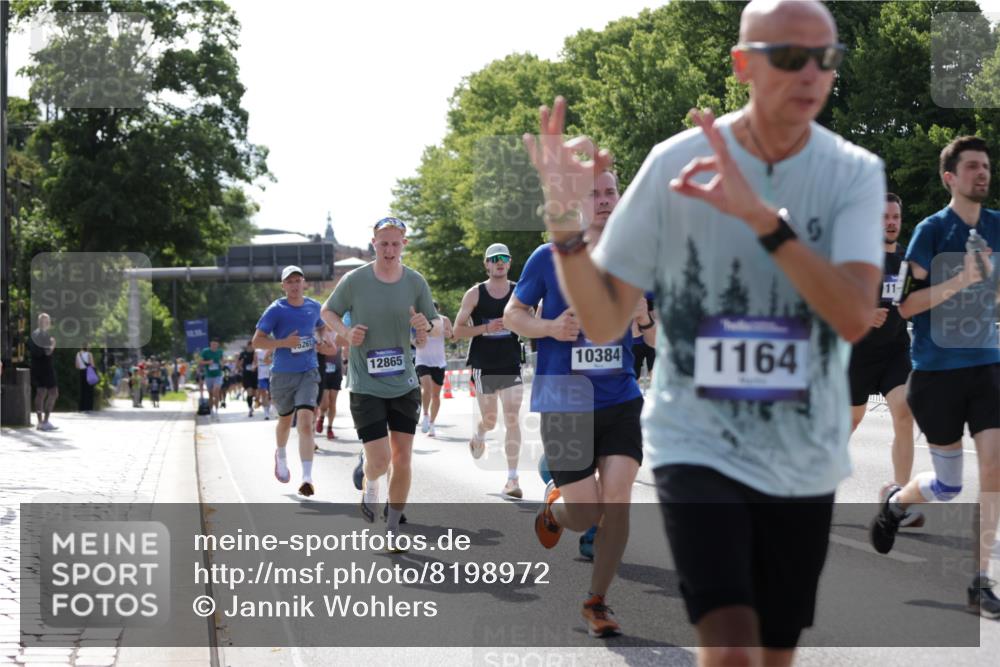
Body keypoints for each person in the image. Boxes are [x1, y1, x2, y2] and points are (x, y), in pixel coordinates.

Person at [521, 0, 884, 660]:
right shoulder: (670, 164)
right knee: (730, 644)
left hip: (802, 444)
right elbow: (604, 318)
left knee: (775, 649)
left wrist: (763, 220)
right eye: (789, 56)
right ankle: (591, 571)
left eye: (825, 59)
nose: (811, 73)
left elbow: (856, 313)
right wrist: (564, 232)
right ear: (743, 64)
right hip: (694, 438)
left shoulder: (853, 172)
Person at [505, 169, 642, 638]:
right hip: (564, 400)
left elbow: (656, 324)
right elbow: (513, 314)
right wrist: (548, 328)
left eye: (610, 192)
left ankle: (596, 602)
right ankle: (554, 510)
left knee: (619, 502)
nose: (603, 200)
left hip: (621, 396)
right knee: (587, 513)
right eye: (593, 194)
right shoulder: (550, 257)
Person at [868, 135, 1000, 618]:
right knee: (948, 485)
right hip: (937, 371)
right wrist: (961, 280)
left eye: (985, 166)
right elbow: (905, 305)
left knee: (993, 466)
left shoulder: (998, 228)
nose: (982, 173)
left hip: (986, 365)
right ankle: (897, 503)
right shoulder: (929, 232)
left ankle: (979, 580)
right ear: (950, 177)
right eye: (971, 167)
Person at [322, 217, 437, 546]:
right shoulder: (355, 280)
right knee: (380, 461)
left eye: (395, 243)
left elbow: (432, 324)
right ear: (373, 243)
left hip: (404, 383)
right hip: (365, 384)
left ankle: (393, 528)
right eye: (383, 243)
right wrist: (346, 332)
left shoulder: (415, 282)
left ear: (404, 244)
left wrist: (422, 327)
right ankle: (371, 486)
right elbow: (327, 312)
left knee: (402, 458)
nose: (389, 249)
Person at [848, 193, 922, 527]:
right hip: (857, 355)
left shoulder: (906, 259)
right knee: (850, 423)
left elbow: (907, 302)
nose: (891, 223)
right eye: (884, 217)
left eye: (895, 217)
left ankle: (898, 504)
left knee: (904, 413)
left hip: (894, 349)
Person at [454, 243, 526, 499]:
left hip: (510, 362)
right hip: (484, 364)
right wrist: (486, 328)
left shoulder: (520, 292)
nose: (499, 262)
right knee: (491, 419)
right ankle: (479, 434)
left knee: (512, 418)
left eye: (503, 258)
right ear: (486, 264)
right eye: (493, 259)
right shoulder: (475, 294)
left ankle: (512, 479)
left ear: (509, 263)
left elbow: (531, 322)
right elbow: (457, 331)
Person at [251, 266, 330, 497]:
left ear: (304, 282)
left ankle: (307, 477)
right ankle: (281, 454)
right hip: (283, 374)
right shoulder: (276, 310)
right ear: (283, 286)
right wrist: (284, 343)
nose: (294, 285)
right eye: (290, 282)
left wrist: (324, 340)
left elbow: (322, 326)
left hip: (309, 371)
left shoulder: (314, 307)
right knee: (285, 421)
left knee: (306, 421)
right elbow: (257, 341)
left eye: (298, 280)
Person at [415, 301, 453, 438]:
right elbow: (413, 339)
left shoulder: (444, 320)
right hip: (422, 360)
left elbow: (451, 336)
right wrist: (416, 340)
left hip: (439, 362)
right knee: (427, 388)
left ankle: (432, 423)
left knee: (436, 395)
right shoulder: (419, 322)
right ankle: (425, 414)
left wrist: (447, 332)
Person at [28, 313, 59, 431]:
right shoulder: (44, 335)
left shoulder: (34, 334)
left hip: (36, 368)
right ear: (43, 322)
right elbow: (47, 352)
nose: (48, 323)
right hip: (46, 368)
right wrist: (53, 345)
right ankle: (45, 421)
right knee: (53, 393)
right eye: (47, 321)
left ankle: (40, 422)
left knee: (40, 393)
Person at [315, 326, 346, 441]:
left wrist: (345, 362)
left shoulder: (338, 332)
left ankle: (329, 428)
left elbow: (344, 347)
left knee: (333, 402)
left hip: (336, 370)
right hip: (323, 370)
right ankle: (321, 417)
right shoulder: (320, 333)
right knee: (324, 402)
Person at [199, 340, 225, 421]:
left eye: (216, 344)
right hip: (209, 376)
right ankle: (211, 411)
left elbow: (222, 361)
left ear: (218, 345)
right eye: (213, 344)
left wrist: (222, 363)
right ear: (210, 344)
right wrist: (208, 362)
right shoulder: (205, 351)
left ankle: (217, 411)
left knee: (216, 391)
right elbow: (200, 362)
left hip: (218, 375)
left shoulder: (220, 351)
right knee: (210, 395)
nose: (214, 346)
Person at [238, 341, 258, 418]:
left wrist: (255, 367)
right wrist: (242, 369)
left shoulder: (255, 353)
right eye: (249, 346)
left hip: (254, 375)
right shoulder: (243, 354)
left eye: (252, 346)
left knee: (254, 393)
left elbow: (257, 362)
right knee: (249, 391)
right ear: (247, 346)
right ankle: (250, 408)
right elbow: (238, 363)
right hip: (246, 376)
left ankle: (253, 403)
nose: (251, 347)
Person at [75, 343, 96, 412]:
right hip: (88, 372)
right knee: (89, 390)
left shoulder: (78, 354)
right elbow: (92, 364)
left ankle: (81, 408)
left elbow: (77, 366)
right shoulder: (89, 354)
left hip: (81, 372)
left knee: (82, 390)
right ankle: (88, 407)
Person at [255, 347, 273, 420]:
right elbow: (255, 361)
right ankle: (266, 412)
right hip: (261, 375)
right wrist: (254, 365)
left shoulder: (271, 349)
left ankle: (272, 407)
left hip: (270, 374)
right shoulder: (257, 351)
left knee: (271, 393)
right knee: (263, 393)